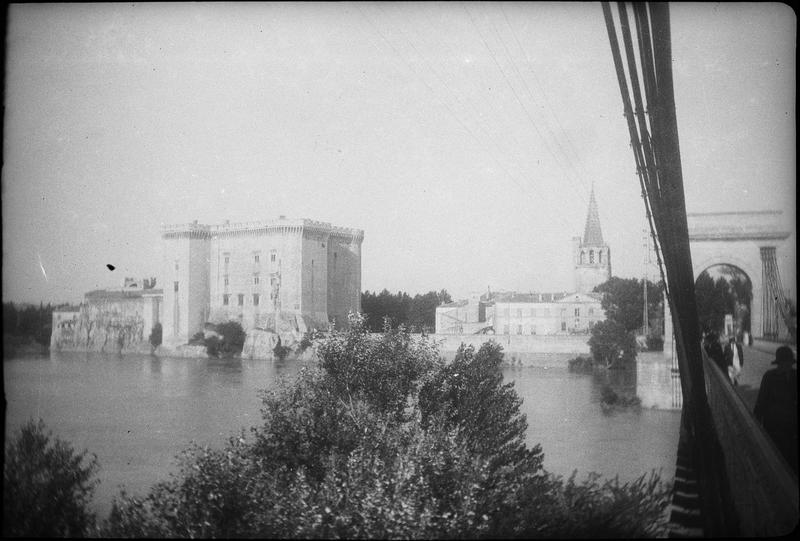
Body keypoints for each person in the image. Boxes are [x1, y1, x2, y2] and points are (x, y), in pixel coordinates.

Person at [754, 346, 798, 473]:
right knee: (777, 461)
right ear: (778, 363)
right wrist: (757, 426)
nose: (786, 366)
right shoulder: (769, 377)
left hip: (792, 429)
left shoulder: (795, 376)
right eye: (783, 363)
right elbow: (761, 402)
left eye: (789, 363)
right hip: (774, 427)